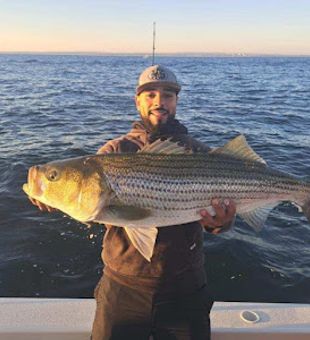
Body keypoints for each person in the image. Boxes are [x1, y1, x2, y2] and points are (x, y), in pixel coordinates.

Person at [30, 64, 236, 340]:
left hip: (186, 288)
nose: (159, 102)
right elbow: (86, 205)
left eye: (168, 95)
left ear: (176, 102)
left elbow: (217, 222)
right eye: (150, 94)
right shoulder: (113, 152)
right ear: (137, 101)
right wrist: (50, 194)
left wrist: (221, 223)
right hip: (122, 288)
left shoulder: (199, 152)